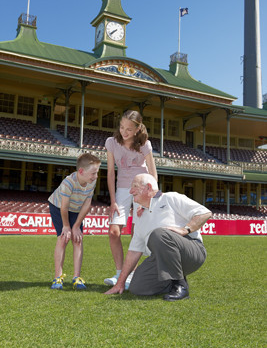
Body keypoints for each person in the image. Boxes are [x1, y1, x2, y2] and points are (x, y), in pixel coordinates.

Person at [105, 173, 212, 301]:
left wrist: (185, 230)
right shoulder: (140, 216)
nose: (130, 191)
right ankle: (170, 283)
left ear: (148, 188)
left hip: (192, 253)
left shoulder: (171, 198)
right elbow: (134, 251)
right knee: (137, 287)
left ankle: (180, 285)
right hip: (161, 259)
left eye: (135, 186)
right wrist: (120, 283)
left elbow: (205, 213)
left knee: (159, 234)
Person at [104, 110, 157, 289]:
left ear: (137, 129)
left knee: (137, 234)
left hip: (142, 189)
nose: (124, 132)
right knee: (113, 232)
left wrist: (150, 198)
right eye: (121, 127)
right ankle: (119, 273)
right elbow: (111, 173)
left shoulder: (145, 145)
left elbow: (152, 172)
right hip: (122, 189)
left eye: (128, 129)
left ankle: (129, 276)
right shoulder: (111, 143)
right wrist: (113, 200)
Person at [48, 152, 101, 290]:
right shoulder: (68, 182)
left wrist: (76, 226)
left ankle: (76, 278)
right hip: (59, 207)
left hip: (76, 209)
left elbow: (87, 204)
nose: (96, 176)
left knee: (78, 239)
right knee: (63, 238)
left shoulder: (91, 181)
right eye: (93, 173)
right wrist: (66, 226)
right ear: (81, 171)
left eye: (97, 173)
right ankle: (57, 277)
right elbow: (64, 207)